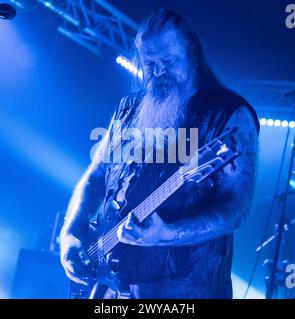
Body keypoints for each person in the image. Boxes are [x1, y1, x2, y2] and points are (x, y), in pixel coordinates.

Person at [60, 9, 259, 299]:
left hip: (187, 290)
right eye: (150, 63)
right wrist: (71, 232)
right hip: (111, 285)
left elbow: (236, 209)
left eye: (168, 61)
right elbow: (96, 176)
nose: (158, 72)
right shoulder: (128, 109)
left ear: (192, 54)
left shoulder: (229, 114)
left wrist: (169, 234)